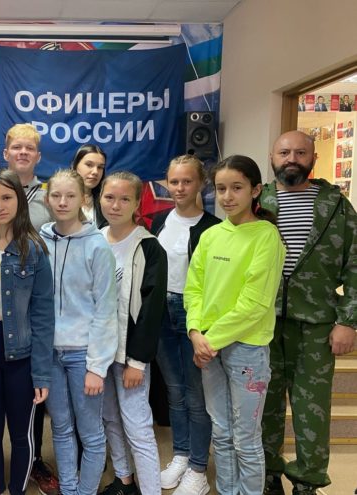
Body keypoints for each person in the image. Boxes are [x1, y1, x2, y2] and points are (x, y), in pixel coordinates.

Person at [260, 131, 357, 495]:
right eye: (284, 152)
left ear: (313, 159)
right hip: (263, 323)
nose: (292, 159)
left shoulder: (336, 206)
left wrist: (348, 321)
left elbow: (355, 265)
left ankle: (307, 481)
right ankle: (267, 474)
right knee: (264, 404)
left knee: (311, 408)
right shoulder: (257, 201)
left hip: (317, 323)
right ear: (272, 157)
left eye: (301, 153)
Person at [184, 155, 285, 495]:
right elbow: (194, 287)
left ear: (255, 190)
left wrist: (209, 340)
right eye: (221, 188)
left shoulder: (266, 236)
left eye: (237, 188)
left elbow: (254, 304)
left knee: (246, 439)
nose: (227, 196)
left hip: (246, 350)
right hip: (208, 347)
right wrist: (195, 332)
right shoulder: (212, 235)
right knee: (222, 433)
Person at [0, 123, 57, 495]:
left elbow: (43, 314)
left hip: (21, 353)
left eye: (6, 198)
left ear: (19, 201)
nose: (0, 206)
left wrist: (42, 372)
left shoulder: (34, 249)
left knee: (22, 434)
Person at [40, 169, 118, 495]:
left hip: (83, 355)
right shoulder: (41, 240)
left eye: (70, 196)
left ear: (83, 199)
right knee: (60, 427)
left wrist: (97, 366)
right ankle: (69, 489)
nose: (62, 202)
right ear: (47, 199)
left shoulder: (97, 246)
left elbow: (106, 309)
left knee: (91, 433)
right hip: (50, 353)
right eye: (56, 195)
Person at [150, 155, 220, 495]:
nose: (179, 188)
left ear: (201, 184)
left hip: (194, 314)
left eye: (187, 181)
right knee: (174, 391)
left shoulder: (213, 227)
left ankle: (198, 467)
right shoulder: (159, 220)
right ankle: (180, 454)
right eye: (174, 181)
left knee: (196, 394)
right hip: (161, 311)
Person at [96, 171, 167, 495]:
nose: (116, 205)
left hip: (130, 355)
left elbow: (152, 309)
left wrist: (138, 362)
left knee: (137, 426)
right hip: (100, 352)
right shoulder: (95, 239)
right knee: (110, 418)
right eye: (110, 197)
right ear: (100, 199)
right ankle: (124, 481)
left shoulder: (149, 247)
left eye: (125, 199)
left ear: (137, 203)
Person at [70, 144, 107, 228]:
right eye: (89, 165)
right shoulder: (60, 199)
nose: (95, 172)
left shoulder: (106, 201)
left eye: (100, 167)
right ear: (75, 166)